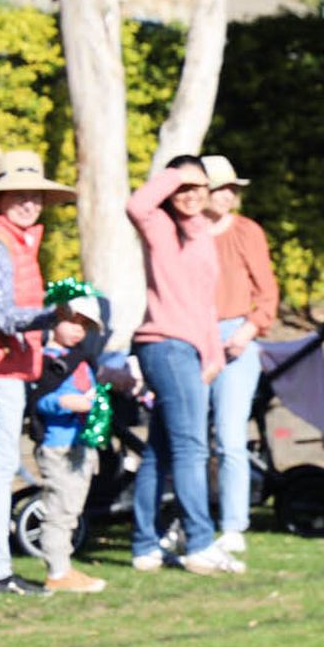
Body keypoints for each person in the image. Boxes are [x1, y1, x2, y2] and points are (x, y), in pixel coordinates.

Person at [128, 158, 237, 576]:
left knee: (159, 451)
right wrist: (178, 174)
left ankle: (145, 547)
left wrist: (213, 354)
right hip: (165, 345)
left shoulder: (202, 233)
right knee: (192, 448)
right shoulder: (159, 225)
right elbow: (136, 205)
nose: (191, 195)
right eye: (183, 188)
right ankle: (200, 543)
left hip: (190, 349)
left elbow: (204, 303)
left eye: (199, 187)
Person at [0, 155, 75, 593]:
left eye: (35, 196)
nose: (30, 203)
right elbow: (3, 314)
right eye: (20, 195)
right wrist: (57, 316)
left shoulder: (9, 239)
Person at [202, 156, 278, 554]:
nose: (227, 195)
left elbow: (267, 293)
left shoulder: (247, 232)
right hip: (195, 334)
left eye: (231, 189)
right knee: (191, 437)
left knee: (230, 436)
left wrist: (247, 331)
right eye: (220, 188)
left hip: (237, 335)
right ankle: (192, 519)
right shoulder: (187, 233)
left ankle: (233, 523)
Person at [32, 288, 109, 593]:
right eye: (73, 321)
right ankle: (57, 570)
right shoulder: (47, 361)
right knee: (60, 508)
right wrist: (64, 403)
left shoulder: (82, 360)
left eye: (85, 325)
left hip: (81, 443)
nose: (79, 330)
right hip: (58, 445)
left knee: (72, 508)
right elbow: (39, 400)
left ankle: (63, 567)